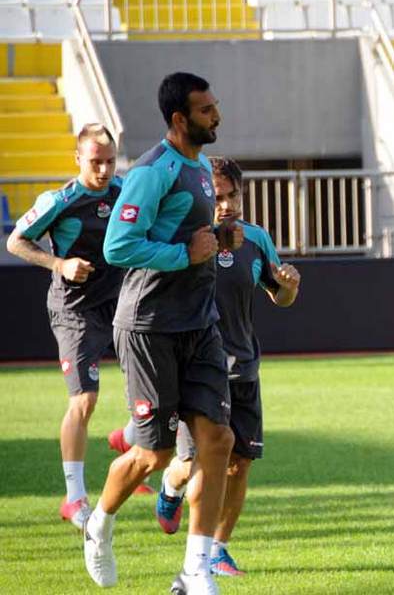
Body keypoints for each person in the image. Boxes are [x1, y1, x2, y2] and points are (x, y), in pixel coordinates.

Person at [83, 72, 241, 595]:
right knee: (154, 456)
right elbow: (117, 246)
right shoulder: (153, 170)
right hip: (150, 328)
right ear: (179, 118)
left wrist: (217, 237)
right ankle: (99, 523)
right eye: (205, 110)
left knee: (218, 439)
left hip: (200, 325)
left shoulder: (199, 167)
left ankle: (196, 570)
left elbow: (187, 234)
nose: (216, 116)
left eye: (214, 106)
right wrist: (184, 254)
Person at [109, 157, 301, 578]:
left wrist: (288, 287)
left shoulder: (255, 239)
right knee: (191, 461)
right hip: (195, 367)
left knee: (240, 463)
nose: (226, 204)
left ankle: (218, 549)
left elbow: (279, 296)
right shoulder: (183, 239)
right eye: (218, 196)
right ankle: (170, 485)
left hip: (242, 368)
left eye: (233, 195)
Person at [6, 124, 124, 529]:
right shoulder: (60, 201)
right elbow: (16, 241)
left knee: (159, 382)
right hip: (76, 311)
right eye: (95, 162)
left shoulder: (125, 192)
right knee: (84, 400)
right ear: (77, 159)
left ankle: (129, 441)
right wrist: (59, 264)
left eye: (110, 161)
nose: (104, 170)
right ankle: (74, 498)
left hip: (120, 305)